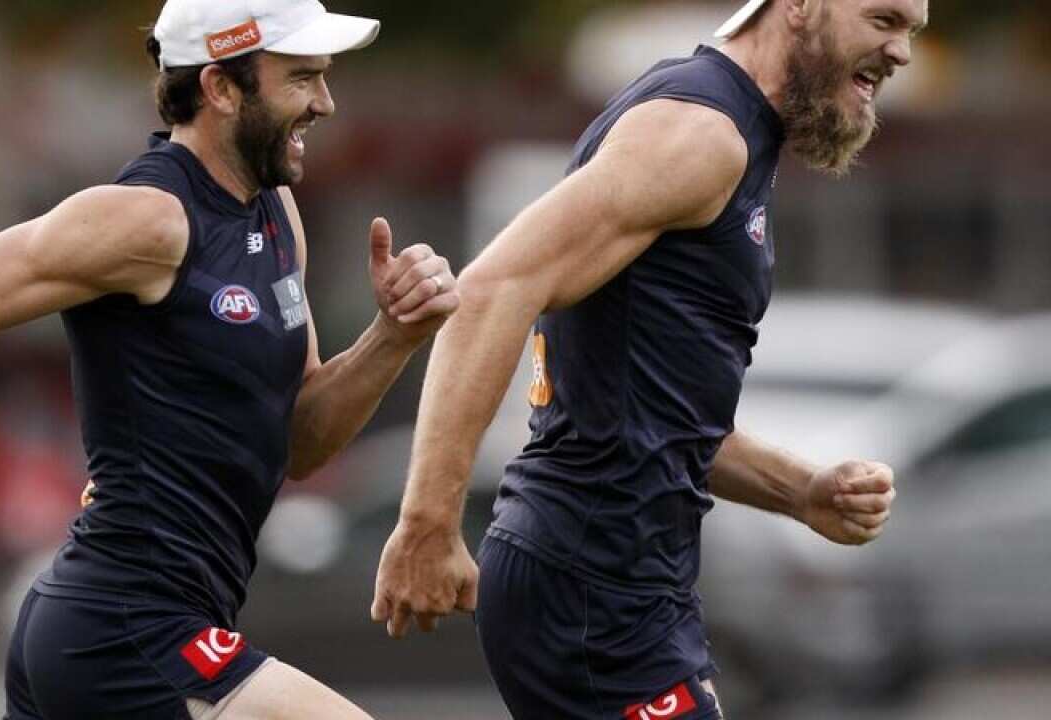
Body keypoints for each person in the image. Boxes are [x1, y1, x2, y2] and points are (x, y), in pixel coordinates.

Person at [0, 1, 460, 718]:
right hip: (120, 626)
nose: (325, 103)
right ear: (220, 88)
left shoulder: (275, 212)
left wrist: (392, 336)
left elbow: (298, 441)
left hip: (147, 624)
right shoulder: (145, 217)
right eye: (301, 79)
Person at [371, 0, 924, 718]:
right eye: (884, 19)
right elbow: (489, 290)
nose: (903, 51)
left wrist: (803, 491)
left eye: (913, 28)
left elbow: (649, 411)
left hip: (623, 587)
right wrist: (427, 523)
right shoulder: (701, 134)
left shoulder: (731, 130)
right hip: (592, 586)